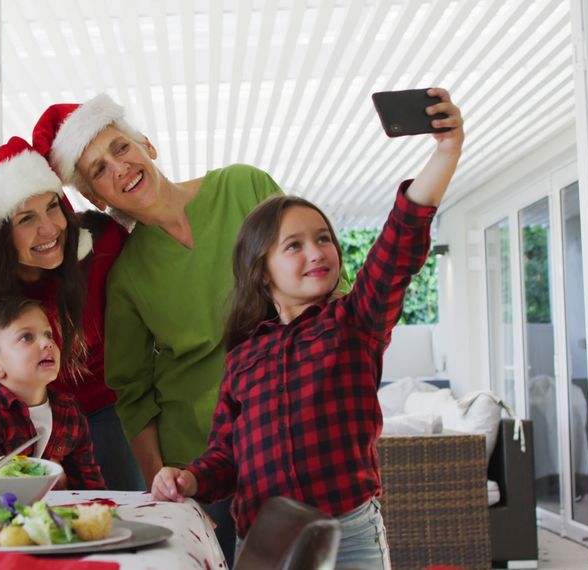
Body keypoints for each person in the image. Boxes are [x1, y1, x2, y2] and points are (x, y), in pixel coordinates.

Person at [152, 88, 464, 568]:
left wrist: (445, 151)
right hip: (264, 540)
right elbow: (225, 458)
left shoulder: (354, 323)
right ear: (261, 270)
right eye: (293, 245)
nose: (317, 252)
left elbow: (398, 244)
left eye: (323, 239)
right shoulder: (242, 359)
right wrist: (190, 479)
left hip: (349, 536)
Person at [32, 93, 285, 561]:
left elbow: (323, 287)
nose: (119, 168)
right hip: (203, 463)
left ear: (146, 144)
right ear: (93, 197)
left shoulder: (243, 187)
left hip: (288, 434)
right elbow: (132, 391)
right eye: (99, 171)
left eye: (120, 149)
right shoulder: (127, 273)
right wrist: (163, 488)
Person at [0, 135, 144, 490]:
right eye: (26, 219)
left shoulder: (102, 248)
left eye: (53, 207)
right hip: (23, 419)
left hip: (108, 411)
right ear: (0, 234)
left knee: (114, 513)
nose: (49, 228)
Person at [0, 297, 106, 490]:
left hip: (56, 514)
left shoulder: (68, 409)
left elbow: (89, 483)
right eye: (26, 337)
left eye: (48, 334)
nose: (47, 342)